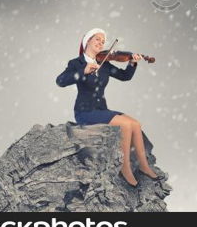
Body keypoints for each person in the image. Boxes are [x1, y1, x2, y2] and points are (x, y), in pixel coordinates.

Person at [56, 28, 160, 187]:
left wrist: (132, 63)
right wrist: (83, 70)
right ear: (88, 41)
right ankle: (125, 169)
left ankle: (144, 167)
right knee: (124, 125)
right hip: (85, 111)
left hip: (102, 109)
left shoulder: (103, 63)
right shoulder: (76, 63)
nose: (101, 43)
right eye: (97, 39)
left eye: (103, 41)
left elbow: (124, 77)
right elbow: (61, 81)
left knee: (135, 124)